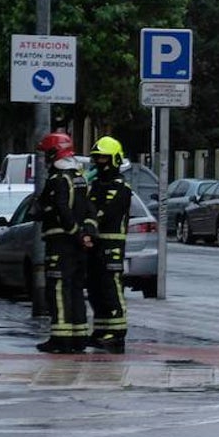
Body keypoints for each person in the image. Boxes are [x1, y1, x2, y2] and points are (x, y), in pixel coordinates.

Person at [30, 132, 94, 354]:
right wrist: (86, 235)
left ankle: (60, 339)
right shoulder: (80, 177)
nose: (45, 159)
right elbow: (89, 210)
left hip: (60, 244)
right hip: (78, 247)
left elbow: (61, 210)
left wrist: (75, 232)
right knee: (75, 290)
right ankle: (78, 338)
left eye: (47, 154)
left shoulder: (58, 179)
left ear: (53, 153)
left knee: (58, 291)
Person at [86, 136, 132, 354]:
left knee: (111, 288)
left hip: (111, 246)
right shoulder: (94, 185)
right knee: (95, 289)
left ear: (114, 159)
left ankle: (117, 333)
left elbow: (106, 213)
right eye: (96, 158)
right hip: (94, 245)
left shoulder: (121, 188)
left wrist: (90, 223)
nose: (99, 162)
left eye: (103, 157)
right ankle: (102, 329)